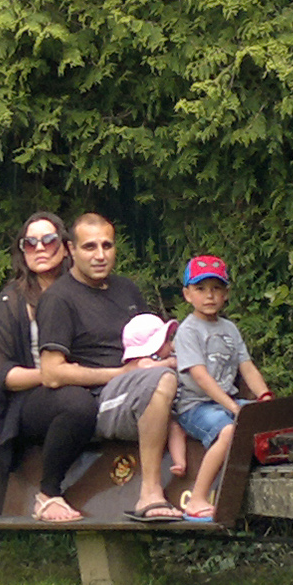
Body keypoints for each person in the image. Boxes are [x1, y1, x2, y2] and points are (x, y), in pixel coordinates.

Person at [34, 213, 182, 522]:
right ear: (70, 249)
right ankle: (150, 494)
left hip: (142, 380)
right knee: (162, 381)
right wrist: (122, 374)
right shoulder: (58, 299)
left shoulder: (127, 289)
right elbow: (51, 372)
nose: (100, 255)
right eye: (89, 247)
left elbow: (154, 341)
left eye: (107, 245)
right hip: (100, 400)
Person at [0, 212, 89, 522]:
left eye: (48, 240)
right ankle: (49, 494)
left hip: (92, 382)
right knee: (76, 403)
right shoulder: (10, 301)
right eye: (29, 243)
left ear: (67, 246)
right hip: (31, 397)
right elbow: (2, 375)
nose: (39, 248)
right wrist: (54, 374)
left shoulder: (85, 290)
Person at [170, 254, 272, 521]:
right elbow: (201, 378)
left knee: (266, 420)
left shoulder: (230, 328)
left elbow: (246, 366)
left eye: (216, 288)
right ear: (187, 294)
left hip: (226, 402)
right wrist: (232, 408)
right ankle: (197, 498)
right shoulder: (188, 331)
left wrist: (265, 397)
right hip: (195, 406)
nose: (209, 295)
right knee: (228, 431)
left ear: (226, 293)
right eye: (200, 288)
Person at [103, 313, 187, 478]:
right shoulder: (143, 362)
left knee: (177, 429)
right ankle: (179, 462)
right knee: (173, 428)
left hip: (170, 410)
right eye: (166, 341)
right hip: (150, 411)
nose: (170, 345)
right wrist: (169, 363)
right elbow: (147, 369)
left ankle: (180, 462)